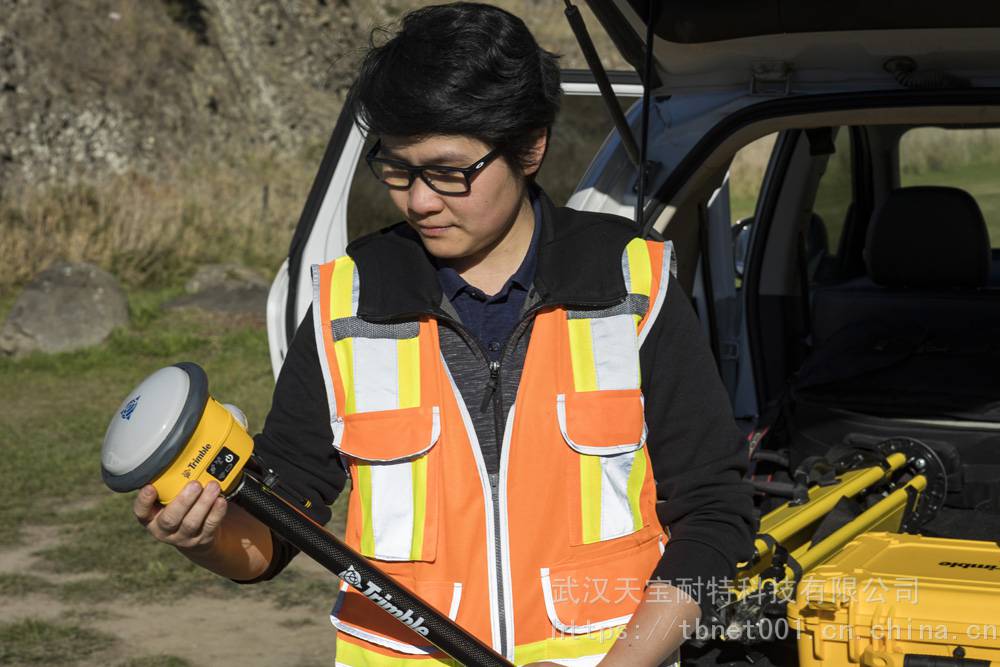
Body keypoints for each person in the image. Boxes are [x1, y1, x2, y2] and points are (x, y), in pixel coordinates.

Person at [132, 3, 756, 665]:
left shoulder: (632, 281)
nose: (419, 200)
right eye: (397, 169)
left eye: (448, 171)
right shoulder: (351, 297)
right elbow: (276, 528)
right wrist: (207, 537)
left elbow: (715, 517)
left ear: (531, 147)